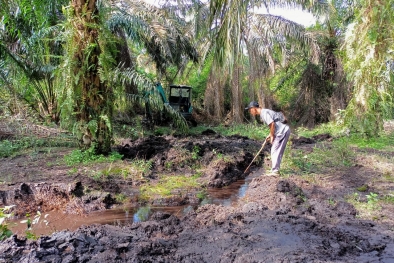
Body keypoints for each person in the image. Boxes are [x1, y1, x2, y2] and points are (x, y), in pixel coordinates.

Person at [245, 101, 291, 175]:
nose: (250, 112)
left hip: (282, 131)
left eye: (250, 110)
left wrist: (272, 136)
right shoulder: (265, 112)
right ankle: (275, 170)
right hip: (283, 130)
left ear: (253, 108)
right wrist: (270, 135)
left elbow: (272, 124)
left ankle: (275, 171)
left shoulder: (264, 113)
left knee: (274, 150)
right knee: (276, 150)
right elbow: (273, 124)